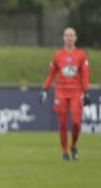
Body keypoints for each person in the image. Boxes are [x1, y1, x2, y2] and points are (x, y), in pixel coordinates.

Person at [39, 27, 90, 161]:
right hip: (61, 92)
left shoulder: (81, 54)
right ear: (63, 38)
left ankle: (73, 145)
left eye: (71, 35)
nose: (69, 38)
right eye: (67, 35)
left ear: (75, 38)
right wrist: (44, 88)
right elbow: (51, 74)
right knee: (62, 124)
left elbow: (84, 74)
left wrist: (86, 91)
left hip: (75, 92)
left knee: (75, 123)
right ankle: (64, 151)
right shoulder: (57, 55)